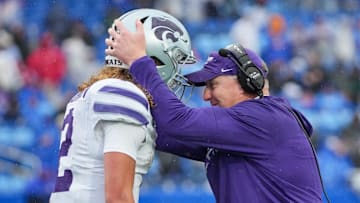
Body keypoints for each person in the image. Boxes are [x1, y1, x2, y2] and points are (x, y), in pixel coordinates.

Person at [105, 19, 324, 203]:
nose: (206, 96)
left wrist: (139, 61)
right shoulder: (245, 130)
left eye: (213, 84)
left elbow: (176, 123)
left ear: (248, 82)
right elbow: (166, 133)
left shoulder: (264, 117)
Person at [49, 8, 196, 203]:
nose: (178, 75)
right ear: (156, 59)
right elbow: (117, 197)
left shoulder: (95, 91)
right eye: (176, 61)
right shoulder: (125, 95)